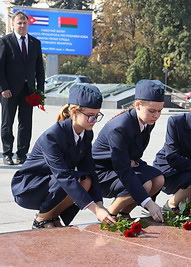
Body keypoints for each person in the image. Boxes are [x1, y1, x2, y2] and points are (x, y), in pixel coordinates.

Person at [11, 84, 115, 229]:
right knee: (74, 179)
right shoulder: (53, 135)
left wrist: (99, 204)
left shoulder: (86, 133)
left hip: (53, 183)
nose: (95, 121)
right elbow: (62, 175)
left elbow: (90, 169)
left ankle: (51, 217)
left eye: (97, 115)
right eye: (90, 116)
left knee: (86, 179)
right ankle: (41, 219)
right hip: (30, 186)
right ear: (74, 112)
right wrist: (95, 210)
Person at [92, 80, 165, 222]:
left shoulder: (147, 121)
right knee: (145, 183)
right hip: (103, 172)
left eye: (160, 111)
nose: (156, 115)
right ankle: (111, 215)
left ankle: (124, 213)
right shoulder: (120, 127)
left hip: (124, 164)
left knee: (158, 178)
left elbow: (135, 154)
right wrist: (149, 203)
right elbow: (123, 169)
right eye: (152, 111)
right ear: (138, 105)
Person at [0, 11, 45, 165]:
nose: (22, 25)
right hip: (9, 92)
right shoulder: (5, 41)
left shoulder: (35, 43)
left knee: (25, 124)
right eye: (19, 23)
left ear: (28, 24)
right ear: (13, 24)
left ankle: (22, 154)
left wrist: (40, 91)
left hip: (29, 91)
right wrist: (3, 88)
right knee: (7, 123)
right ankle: (7, 153)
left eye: (24, 23)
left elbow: (39, 70)